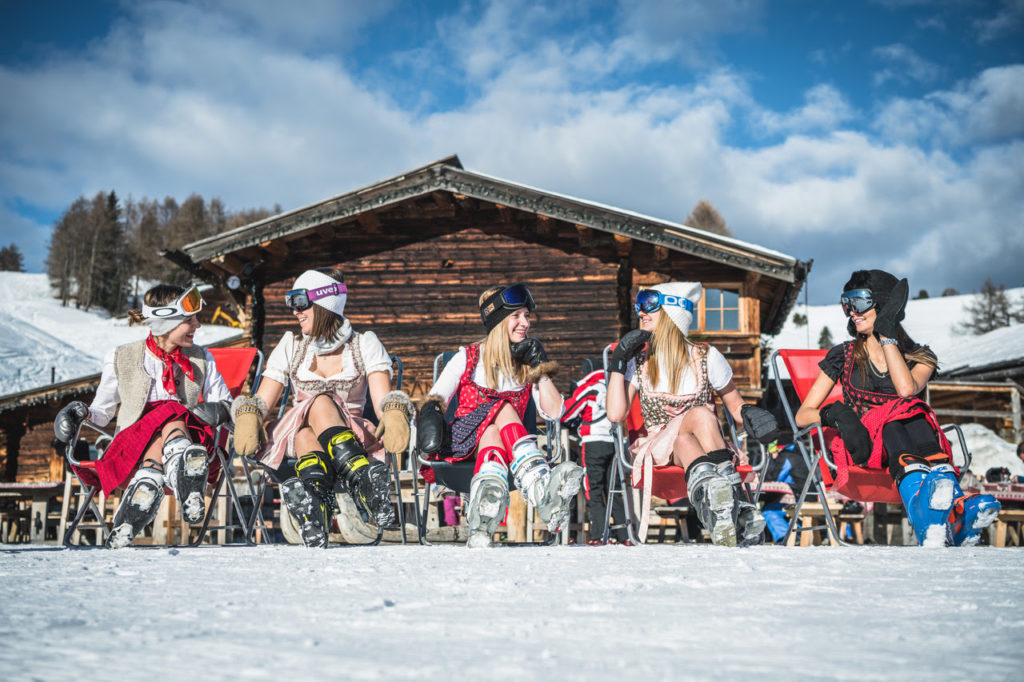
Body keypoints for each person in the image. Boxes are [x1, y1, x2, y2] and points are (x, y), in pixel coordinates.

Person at [794, 269, 1000, 546]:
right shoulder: (843, 356)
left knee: (911, 412)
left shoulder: (921, 357)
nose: (850, 312)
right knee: (899, 417)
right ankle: (947, 511)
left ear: (885, 306)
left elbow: (906, 389)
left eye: (858, 302)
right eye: (846, 303)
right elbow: (802, 415)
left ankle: (943, 516)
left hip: (911, 444)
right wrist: (837, 414)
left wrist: (888, 337)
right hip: (864, 446)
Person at [230, 268, 413, 548]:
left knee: (316, 412)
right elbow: (263, 400)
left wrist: (394, 411)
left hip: (351, 431)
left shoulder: (364, 344)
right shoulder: (291, 345)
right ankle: (360, 479)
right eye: (292, 304)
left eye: (300, 303)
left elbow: (382, 400)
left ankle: (316, 508)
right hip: (296, 433)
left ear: (325, 303)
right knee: (315, 407)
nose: (295, 312)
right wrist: (249, 414)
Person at [53, 284, 234, 549]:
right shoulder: (121, 357)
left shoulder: (202, 358)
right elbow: (102, 414)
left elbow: (226, 403)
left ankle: (147, 485)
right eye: (189, 320)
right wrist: (79, 413)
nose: (198, 325)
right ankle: (179, 472)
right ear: (165, 323)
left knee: (172, 414)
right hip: (131, 452)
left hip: (194, 447)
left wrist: (221, 409)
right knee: (170, 410)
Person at [605, 282, 780, 546]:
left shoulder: (707, 356)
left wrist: (751, 413)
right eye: (639, 304)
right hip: (658, 448)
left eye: (650, 304)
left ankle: (720, 511)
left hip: (697, 447)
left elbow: (736, 407)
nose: (641, 311)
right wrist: (619, 361)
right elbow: (616, 414)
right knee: (700, 413)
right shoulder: (639, 361)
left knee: (686, 438)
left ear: (673, 313)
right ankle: (736, 498)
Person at [416, 283, 583, 548]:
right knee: (503, 406)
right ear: (498, 320)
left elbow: (553, 412)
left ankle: (484, 514)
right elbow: (435, 400)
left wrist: (540, 368)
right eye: (516, 316)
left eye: (527, 316)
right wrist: (428, 426)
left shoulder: (526, 363)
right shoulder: (468, 358)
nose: (525, 323)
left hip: (503, 448)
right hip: (462, 443)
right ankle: (540, 487)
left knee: (494, 428)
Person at [561, 357, 628, 544]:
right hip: (613, 443)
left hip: (592, 442)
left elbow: (568, 412)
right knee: (613, 489)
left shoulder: (589, 387)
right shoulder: (613, 387)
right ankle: (624, 535)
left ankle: (599, 535)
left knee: (594, 490)